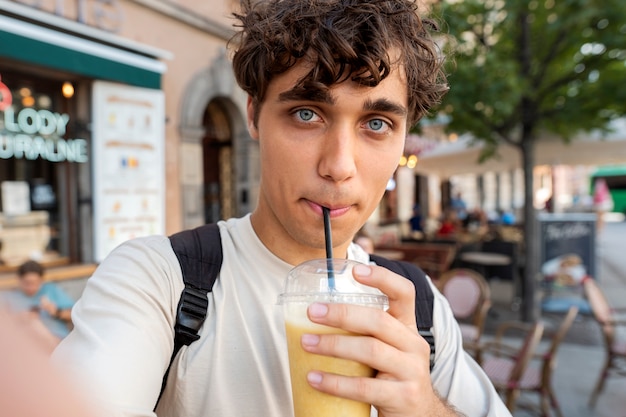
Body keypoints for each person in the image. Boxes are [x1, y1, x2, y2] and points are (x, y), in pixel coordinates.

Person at [53, 1, 510, 416]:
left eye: (376, 123)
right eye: (307, 113)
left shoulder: (418, 307)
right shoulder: (158, 281)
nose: (338, 166)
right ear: (253, 116)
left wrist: (426, 409)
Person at [0, 260, 74, 352]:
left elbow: (75, 316)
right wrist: (18, 319)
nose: (31, 287)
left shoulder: (51, 289)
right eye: (27, 283)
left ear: (41, 280)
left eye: (35, 283)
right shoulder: (9, 297)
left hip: (58, 340)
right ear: (19, 279)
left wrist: (56, 312)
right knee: (32, 324)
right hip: (27, 346)